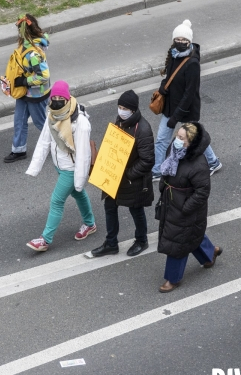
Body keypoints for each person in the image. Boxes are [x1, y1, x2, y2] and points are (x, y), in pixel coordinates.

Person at [25, 80, 97, 251]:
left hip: (71, 170)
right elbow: (44, 141)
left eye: (60, 97)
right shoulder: (52, 114)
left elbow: (84, 156)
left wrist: (79, 180)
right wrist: (34, 168)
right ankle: (90, 224)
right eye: (54, 97)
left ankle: (45, 240)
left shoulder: (81, 123)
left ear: (68, 98)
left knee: (56, 201)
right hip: (60, 166)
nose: (56, 100)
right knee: (79, 195)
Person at [152, 20, 222, 181]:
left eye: (184, 40)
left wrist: (176, 117)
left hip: (186, 109)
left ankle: (213, 162)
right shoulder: (173, 54)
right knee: (162, 139)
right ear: (173, 40)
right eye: (178, 39)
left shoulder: (192, 64)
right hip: (171, 106)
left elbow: (190, 93)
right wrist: (163, 87)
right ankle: (156, 171)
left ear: (190, 41)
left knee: (195, 139)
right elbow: (170, 77)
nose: (181, 42)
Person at [157, 122, 222, 293]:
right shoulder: (175, 149)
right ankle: (210, 253)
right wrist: (163, 187)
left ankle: (172, 279)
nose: (176, 140)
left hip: (184, 208)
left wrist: (185, 208)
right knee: (191, 234)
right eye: (177, 136)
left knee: (178, 240)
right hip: (173, 201)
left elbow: (202, 192)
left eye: (181, 138)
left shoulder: (199, 164)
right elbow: (168, 170)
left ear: (190, 142)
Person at [91, 91, 155, 257]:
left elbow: (148, 161)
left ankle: (142, 240)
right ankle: (111, 243)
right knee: (110, 206)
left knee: (136, 210)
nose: (121, 110)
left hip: (132, 180)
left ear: (133, 110)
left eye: (124, 108)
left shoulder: (143, 129)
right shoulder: (119, 122)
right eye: (119, 107)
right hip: (115, 176)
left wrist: (128, 174)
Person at [4, 14, 51, 163]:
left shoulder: (33, 53)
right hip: (25, 92)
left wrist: (23, 81)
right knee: (19, 120)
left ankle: (61, 143)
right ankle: (19, 150)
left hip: (36, 95)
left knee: (41, 123)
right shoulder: (27, 44)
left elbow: (43, 76)